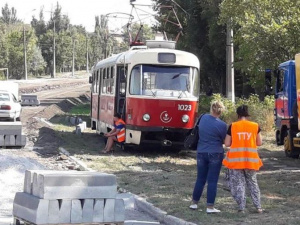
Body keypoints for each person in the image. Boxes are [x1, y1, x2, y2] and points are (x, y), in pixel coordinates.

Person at [223, 105, 263, 213]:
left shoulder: (233, 126)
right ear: (247, 114)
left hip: (236, 161)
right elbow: (259, 142)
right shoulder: (255, 126)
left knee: (239, 184)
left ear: (238, 115)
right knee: (253, 183)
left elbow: (227, 143)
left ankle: (241, 207)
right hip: (251, 161)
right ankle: (258, 207)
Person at [189, 100, 227, 214]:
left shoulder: (203, 118)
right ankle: (210, 206)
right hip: (216, 152)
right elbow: (224, 141)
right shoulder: (222, 125)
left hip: (201, 152)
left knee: (200, 178)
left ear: (211, 108)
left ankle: (194, 203)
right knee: (212, 180)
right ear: (221, 111)